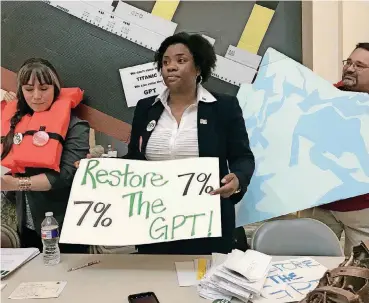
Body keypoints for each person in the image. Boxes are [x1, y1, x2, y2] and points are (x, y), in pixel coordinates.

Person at [125, 32, 255, 254]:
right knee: (155, 282)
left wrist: (238, 179)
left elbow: (242, 157)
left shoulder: (223, 107)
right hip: (154, 220)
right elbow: (134, 160)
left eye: (180, 60)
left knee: (202, 283)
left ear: (198, 68)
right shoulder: (146, 108)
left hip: (206, 221)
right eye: (165, 62)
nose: (170, 67)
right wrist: (100, 167)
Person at [1, 58, 90, 253]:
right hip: (27, 222)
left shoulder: (76, 126)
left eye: (43, 88)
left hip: (64, 223)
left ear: (55, 89)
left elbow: (65, 175)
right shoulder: (17, 121)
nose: (36, 96)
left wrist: (15, 184)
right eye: (28, 89)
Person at [300, 42, 369, 255]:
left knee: (360, 274)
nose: (349, 69)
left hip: (362, 208)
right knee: (308, 260)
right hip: (322, 202)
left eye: (359, 65)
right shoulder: (326, 95)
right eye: (348, 62)